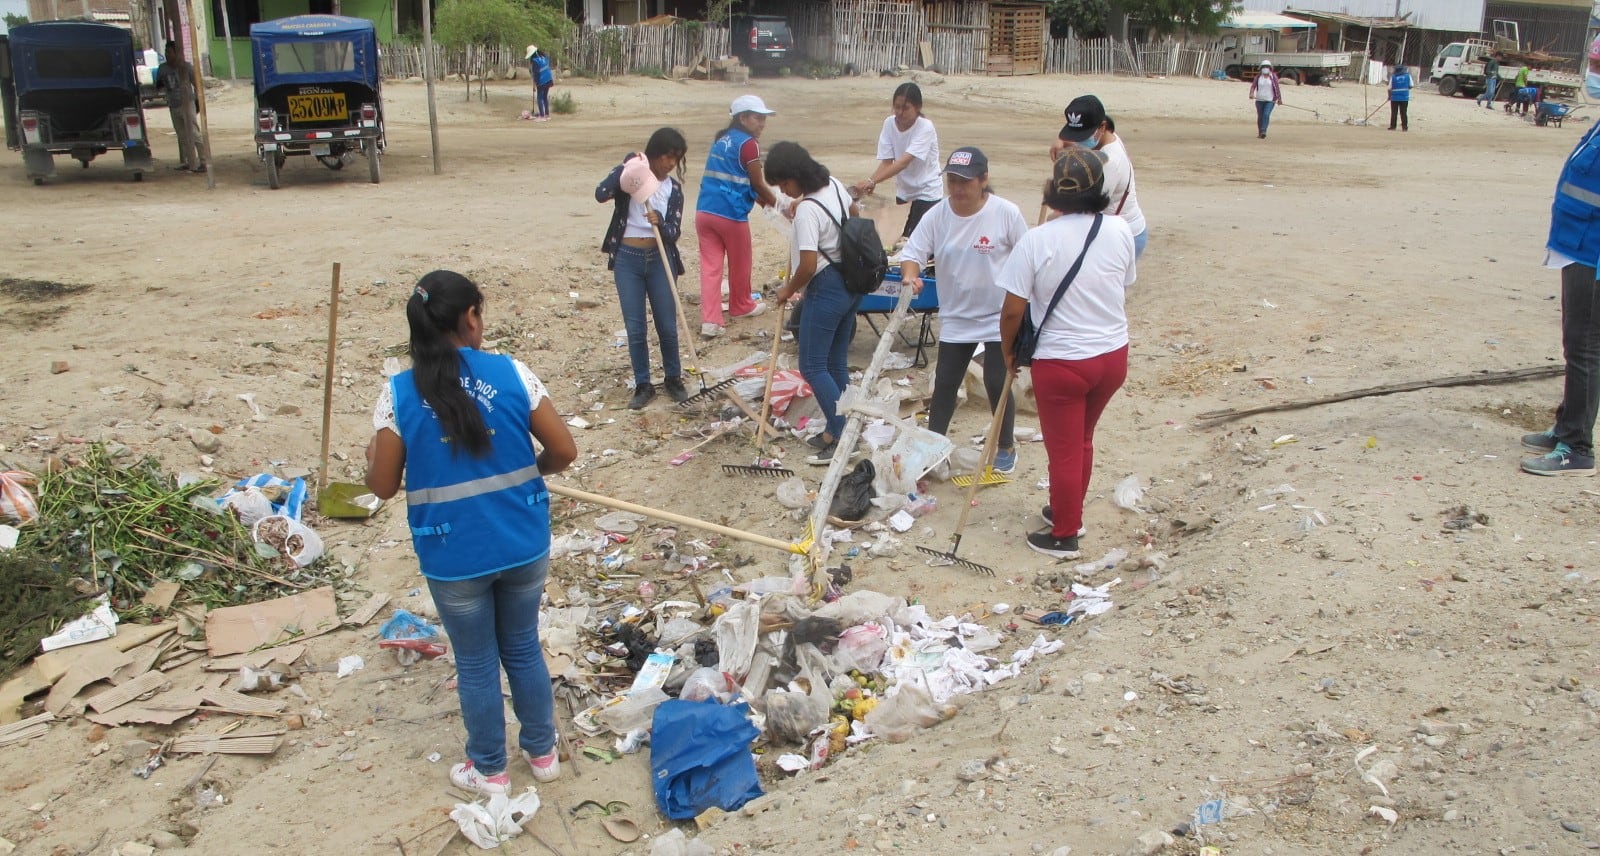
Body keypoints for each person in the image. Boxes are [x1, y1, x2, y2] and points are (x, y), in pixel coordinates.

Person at [364, 270, 578, 795]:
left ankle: (490, 770)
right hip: (522, 539)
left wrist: (372, 454)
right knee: (524, 646)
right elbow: (565, 451)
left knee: (478, 660)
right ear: (469, 319)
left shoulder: (398, 395)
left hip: (452, 553)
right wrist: (531, 472)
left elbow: (383, 485)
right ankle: (543, 753)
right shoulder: (511, 374)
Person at [997, 148, 1136, 558]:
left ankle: (1064, 534)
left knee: (1064, 449)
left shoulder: (1036, 241)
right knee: (1082, 440)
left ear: (1053, 191)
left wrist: (1009, 353)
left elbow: (1011, 311)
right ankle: (1067, 510)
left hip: (1062, 361)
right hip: (1112, 354)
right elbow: (1122, 281)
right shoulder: (1120, 230)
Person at [898, 146, 1028, 473]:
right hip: (957, 316)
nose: (957, 189)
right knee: (945, 382)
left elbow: (1028, 257)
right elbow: (913, 253)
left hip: (999, 315)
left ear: (983, 180)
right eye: (952, 181)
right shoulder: (938, 215)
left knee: (997, 380)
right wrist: (910, 276)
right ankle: (933, 446)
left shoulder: (1006, 213)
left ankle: (1006, 445)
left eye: (965, 182)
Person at [1521, 34, 1600, 478]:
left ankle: (1576, 445)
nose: (1593, 74)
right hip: (1576, 245)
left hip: (1594, 253)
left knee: (1586, 347)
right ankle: (1566, 424)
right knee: (1578, 345)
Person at [767, 141, 860, 465]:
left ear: (795, 176)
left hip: (825, 287)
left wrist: (787, 290)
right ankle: (842, 429)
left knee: (812, 365)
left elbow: (806, 265)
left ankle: (844, 433)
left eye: (784, 184)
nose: (785, 191)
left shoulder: (808, 210)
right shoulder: (833, 185)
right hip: (850, 281)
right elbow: (855, 214)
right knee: (835, 363)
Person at [596, 128, 692, 409]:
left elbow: (674, 232)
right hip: (628, 257)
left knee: (666, 324)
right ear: (654, 153)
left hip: (660, 259)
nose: (670, 164)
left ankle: (673, 378)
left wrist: (660, 222)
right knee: (635, 327)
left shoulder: (673, 189)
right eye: (666, 157)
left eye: (676, 159)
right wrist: (627, 167)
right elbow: (601, 193)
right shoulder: (633, 178)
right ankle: (643, 383)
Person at [695, 95, 778, 339]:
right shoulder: (749, 144)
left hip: (705, 210)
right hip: (731, 214)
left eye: (764, 118)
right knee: (741, 261)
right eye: (757, 118)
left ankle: (710, 321)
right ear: (742, 118)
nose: (762, 123)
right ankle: (741, 305)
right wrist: (779, 204)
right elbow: (758, 184)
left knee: (710, 268)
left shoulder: (721, 139)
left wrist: (764, 200)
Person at [1056, 94, 1149, 258]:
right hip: (1108, 231)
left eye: (1084, 136)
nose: (1079, 141)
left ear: (1102, 127)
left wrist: (1055, 218)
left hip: (1123, 237)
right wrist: (1060, 141)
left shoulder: (1110, 163)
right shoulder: (1106, 137)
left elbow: (1086, 209)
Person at [853, 83, 942, 247]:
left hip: (928, 193)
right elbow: (887, 162)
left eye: (906, 108)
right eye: (897, 107)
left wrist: (873, 182)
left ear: (918, 107)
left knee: (919, 243)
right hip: (904, 193)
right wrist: (870, 181)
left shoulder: (925, 127)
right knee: (901, 241)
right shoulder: (889, 124)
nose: (900, 113)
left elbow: (902, 162)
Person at [159, 40, 202, 172]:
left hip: (187, 103)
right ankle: (189, 161)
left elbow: (197, 85)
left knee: (194, 133)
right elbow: (159, 85)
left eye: (169, 52)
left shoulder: (186, 67)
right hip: (173, 104)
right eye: (166, 52)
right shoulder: (163, 68)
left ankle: (204, 160)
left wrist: (197, 102)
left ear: (176, 53)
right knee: (182, 135)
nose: (167, 54)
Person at [1250, 60, 1282, 140]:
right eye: (1264, 67)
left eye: (1267, 67)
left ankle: (1264, 131)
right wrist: (1251, 93)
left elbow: (1277, 88)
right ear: (1261, 68)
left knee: (1266, 114)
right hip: (1259, 100)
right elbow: (1253, 86)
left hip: (1270, 100)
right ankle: (1260, 132)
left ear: (1270, 68)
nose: (1265, 68)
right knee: (1260, 116)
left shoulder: (1273, 76)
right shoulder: (1258, 77)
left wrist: (1279, 99)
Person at [526, 45, 554, 122]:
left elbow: (536, 74)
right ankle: (547, 115)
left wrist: (534, 85)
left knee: (539, 98)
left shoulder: (535, 61)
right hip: (549, 79)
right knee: (545, 97)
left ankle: (542, 116)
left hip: (541, 80)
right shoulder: (544, 57)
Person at [1389, 63, 1412, 131]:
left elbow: (1389, 88)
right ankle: (1404, 127)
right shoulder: (1408, 76)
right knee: (1403, 112)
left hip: (1394, 98)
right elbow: (1411, 85)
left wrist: (1389, 96)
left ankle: (1393, 126)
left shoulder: (1393, 77)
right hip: (1404, 97)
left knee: (1394, 112)